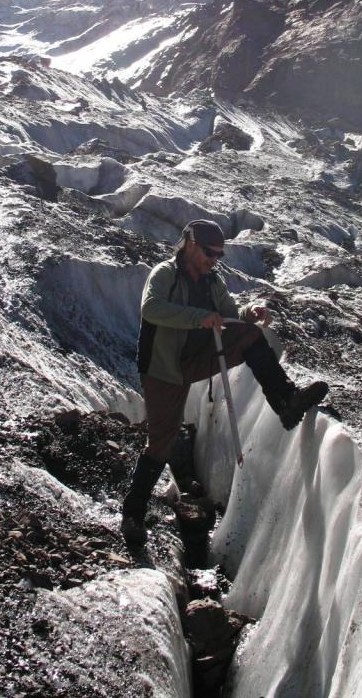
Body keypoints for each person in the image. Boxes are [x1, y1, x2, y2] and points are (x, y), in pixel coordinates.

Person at [121, 219, 329, 546]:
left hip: (197, 354)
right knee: (162, 441)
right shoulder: (164, 274)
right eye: (209, 253)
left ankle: (286, 402)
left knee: (249, 336)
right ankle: (132, 514)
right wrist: (197, 318)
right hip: (163, 369)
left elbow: (229, 315)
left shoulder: (211, 281)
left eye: (218, 254)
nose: (214, 260)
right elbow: (151, 309)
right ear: (190, 244)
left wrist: (248, 314)